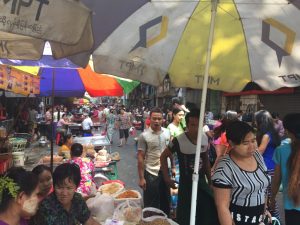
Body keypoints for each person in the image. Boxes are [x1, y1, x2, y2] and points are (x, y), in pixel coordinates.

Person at [161, 108, 219, 225]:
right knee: (186, 215)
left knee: (206, 211)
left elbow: (206, 160)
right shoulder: (179, 140)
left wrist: (210, 181)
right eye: (192, 125)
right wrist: (167, 178)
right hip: (186, 185)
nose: (196, 128)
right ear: (187, 124)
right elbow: (163, 156)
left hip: (201, 183)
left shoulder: (204, 138)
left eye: (199, 125)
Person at [212, 121, 271, 225]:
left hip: (260, 219)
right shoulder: (225, 167)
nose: (252, 147)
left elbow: (262, 188)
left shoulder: (257, 156)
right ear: (232, 143)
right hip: (238, 220)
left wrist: (265, 210)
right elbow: (222, 207)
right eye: (245, 143)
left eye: (253, 141)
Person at [30, 163, 100, 225]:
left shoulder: (77, 200)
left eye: (69, 188)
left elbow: (90, 222)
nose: (64, 193)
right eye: (60, 188)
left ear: (76, 187)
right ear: (54, 186)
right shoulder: (46, 207)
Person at [137, 107, 171, 215]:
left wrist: (173, 166)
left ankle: (165, 221)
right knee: (151, 203)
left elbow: (170, 152)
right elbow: (140, 157)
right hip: (151, 172)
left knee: (166, 200)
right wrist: (142, 178)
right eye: (154, 118)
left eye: (159, 119)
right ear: (149, 119)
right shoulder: (144, 136)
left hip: (165, 171)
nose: (157, 121)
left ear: (163, 120)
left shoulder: (167, 132)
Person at [270, 113, 300, 225]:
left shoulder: (281, 150)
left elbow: (276, 180)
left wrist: (272, 198)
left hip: (291, 207)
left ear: (287, 131)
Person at [255, 110, 281, 220]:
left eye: (256, 121)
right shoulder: (273, 133)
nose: (255, 123)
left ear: (261, 121)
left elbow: (260, 150)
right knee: (270, 196)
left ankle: (275, 219)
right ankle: (274, 218)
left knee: (267, 197)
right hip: (273, 166)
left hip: (266, 167)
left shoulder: (266, 135)